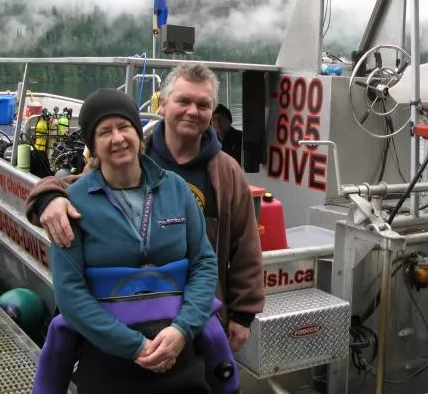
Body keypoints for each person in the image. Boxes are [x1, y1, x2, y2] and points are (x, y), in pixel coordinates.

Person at [27, 63, 264, 353]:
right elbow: (81, 187)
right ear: (163, 105)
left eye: (203, 104)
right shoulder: (131, 153)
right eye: (183, 101)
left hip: (198, 318)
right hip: (123, 320)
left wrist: (243, 314)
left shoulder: (227, 172)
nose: (193, 110)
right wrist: (47, 197)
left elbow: (246, 246)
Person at [45, 88, 218, 392]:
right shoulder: (73, 203)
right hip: (108, 359)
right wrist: (134, 347)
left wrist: (181, 330)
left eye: (125, 127)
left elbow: (204, 262)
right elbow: (69, 292)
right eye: (104, 132)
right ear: (92, 146)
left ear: (138, 134)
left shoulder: (176, 188)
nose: (117, 138)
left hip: (180, 352)